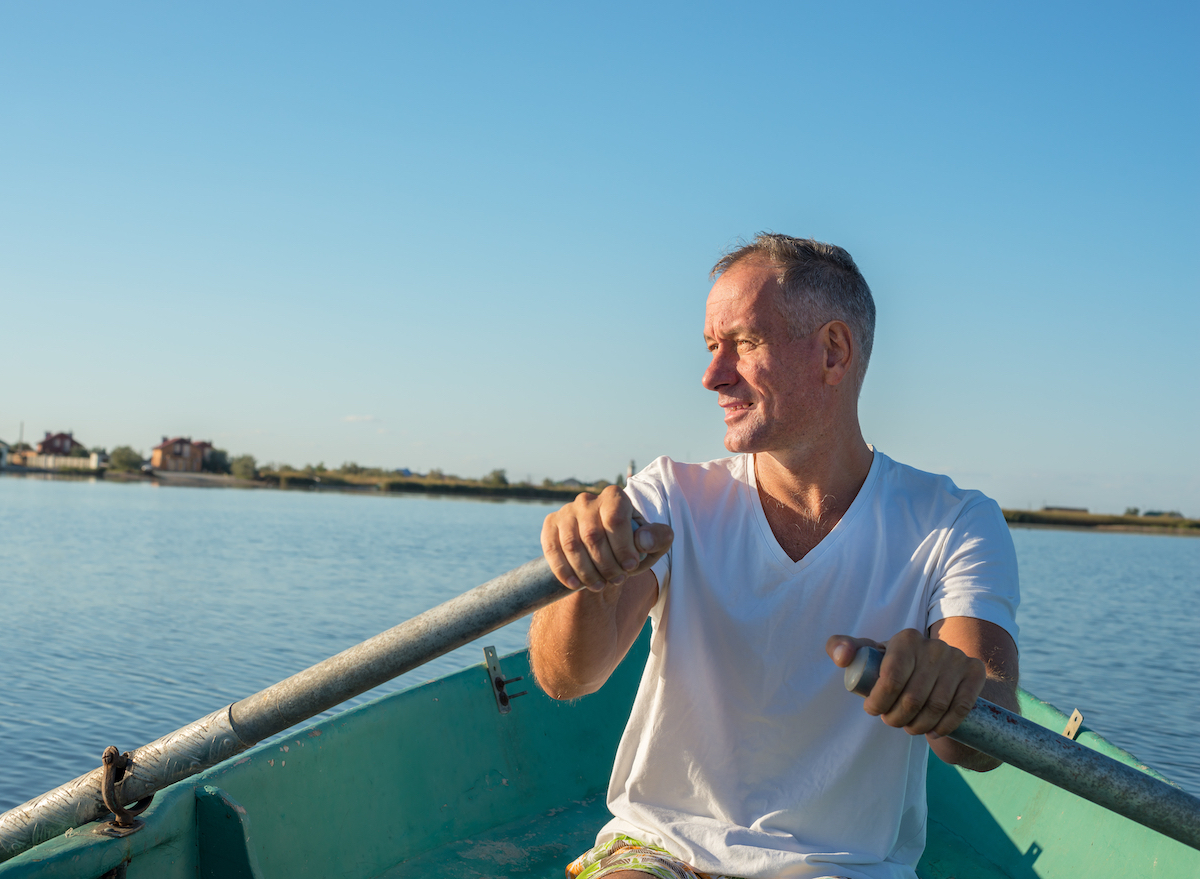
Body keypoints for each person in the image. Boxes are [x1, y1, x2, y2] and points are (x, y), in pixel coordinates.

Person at [529, 234, 1020, 879]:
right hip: (658, 847)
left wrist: (954, 691)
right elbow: (568, 678)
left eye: (744, 344)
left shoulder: (954, 522)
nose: (713, 376)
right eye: (712, 347)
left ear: (833, 352)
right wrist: (587, 578)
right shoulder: (670, 497)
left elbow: (982, 736)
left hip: (837, 865)